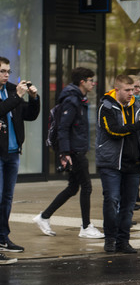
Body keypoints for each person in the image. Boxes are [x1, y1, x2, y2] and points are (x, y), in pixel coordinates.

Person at [32, 67, 103, 239]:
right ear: (82, 82)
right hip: (74, 151)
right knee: (86, 186)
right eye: (90, 80)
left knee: (73, 188)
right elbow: (63, 128)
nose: (93, 83)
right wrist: (65, 153)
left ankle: (44, 216)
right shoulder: (72, 101)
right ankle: (86, 227)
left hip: (76, 149)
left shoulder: (79, 99)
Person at [96, 74, 140, 254]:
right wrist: (139, 125)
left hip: (133, 163)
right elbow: (113, 131)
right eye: (128, 90)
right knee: (112, 200)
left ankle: (123, 241)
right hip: (111, 163)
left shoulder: (137, 106)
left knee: (128, 206)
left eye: (134, 89)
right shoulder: (106, 107)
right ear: (117, 89)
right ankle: (110, 239)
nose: (132, 93)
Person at [0, 56, 40, 264]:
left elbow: (30, 116)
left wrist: (33, 98)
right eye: (2, 71)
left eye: (8, 71)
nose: (7, 75)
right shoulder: (13, 94)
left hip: (13, 152)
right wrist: (17, 96)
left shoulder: (13, 90)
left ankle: (3, 237)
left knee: (7, 198)